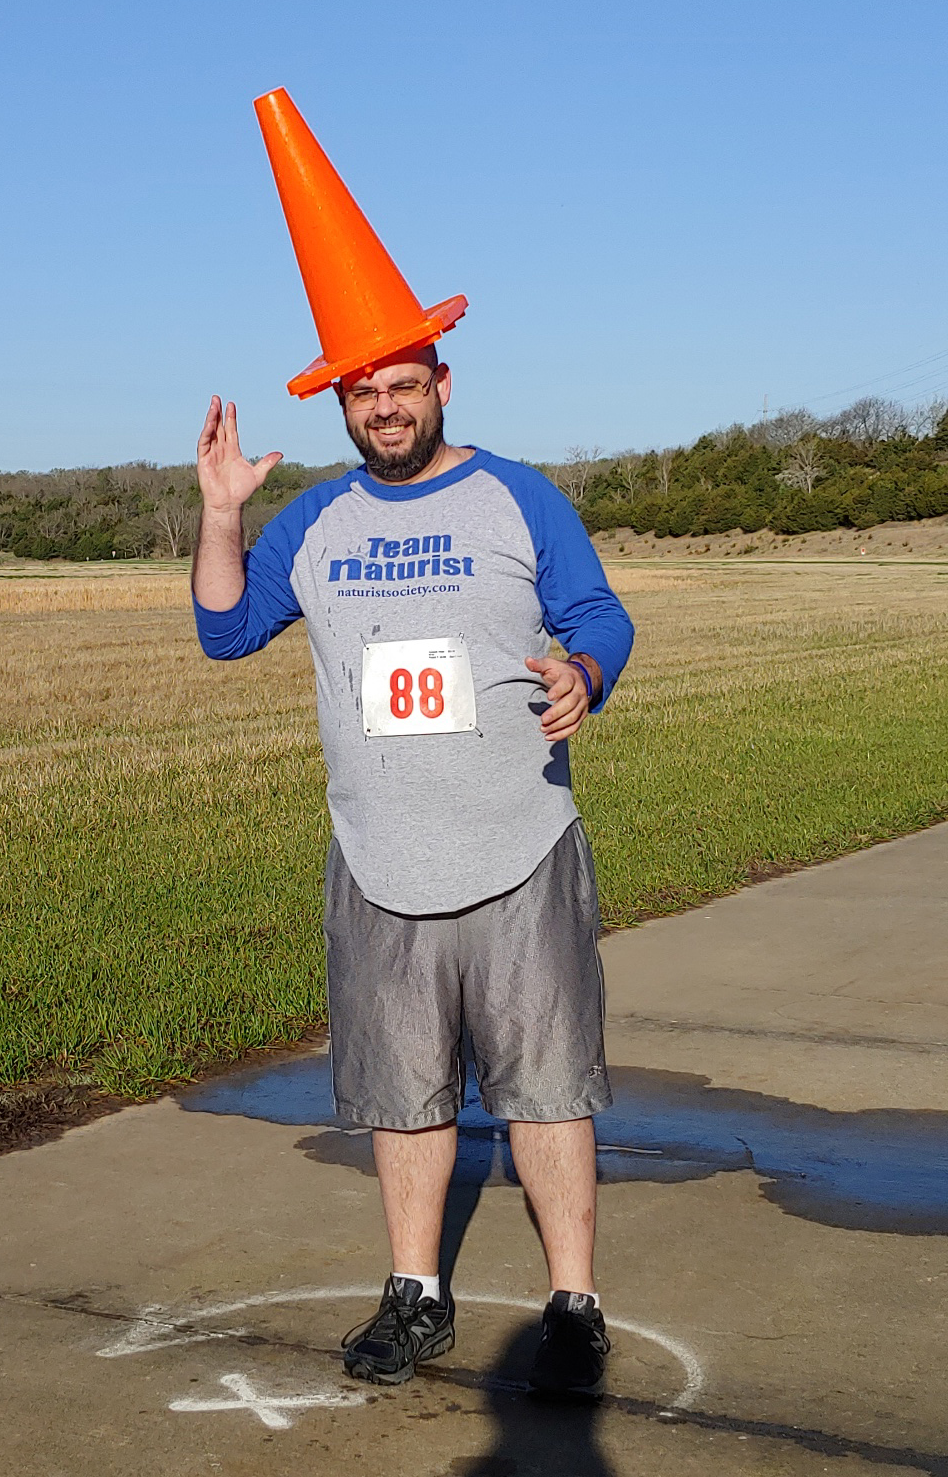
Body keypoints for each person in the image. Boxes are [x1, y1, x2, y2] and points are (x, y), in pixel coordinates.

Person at [191, 344, 635, 1397]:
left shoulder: (520, 499)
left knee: (548, 1089)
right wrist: (221, 513)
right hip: (379, 855)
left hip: (519, 841)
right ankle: (415, 1294)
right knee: (405, 1096)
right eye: (364, 394)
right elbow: (226, 631)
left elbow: (599, 616)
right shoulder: (312, 522)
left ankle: (574, 1308)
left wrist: (583, 672)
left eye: (403, 388)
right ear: (344, 405)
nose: (385, 409)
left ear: (441, 387)